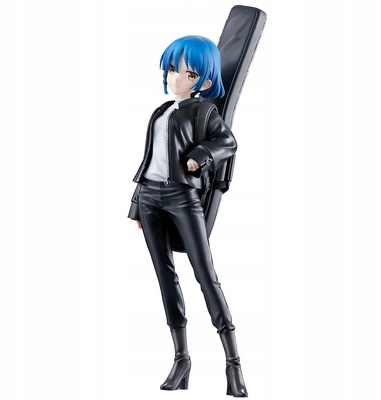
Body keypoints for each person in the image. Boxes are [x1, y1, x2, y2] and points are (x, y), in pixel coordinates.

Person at [128, 35, 248, 397]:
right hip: (150, 197)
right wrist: (136, 204)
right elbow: (149, 160)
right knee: (165, 275)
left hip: (182, 196)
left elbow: (228, 142)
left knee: (205, 275)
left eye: (188, 73)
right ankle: (181, 359)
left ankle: (233, 363)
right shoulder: (161, 111)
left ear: (205, 82)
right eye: (172, 69)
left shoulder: (203, 111)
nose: (175, 77)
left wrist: (200, 156)